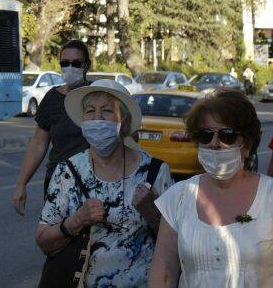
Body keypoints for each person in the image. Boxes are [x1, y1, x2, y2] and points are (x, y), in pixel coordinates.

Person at [37, 79, 173, 286]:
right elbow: (44, 242)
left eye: (107, 111)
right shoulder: (68, 172)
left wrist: (152, 214)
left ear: (124, 123)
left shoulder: (154, 172)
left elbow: (177, 246)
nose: (97, 119)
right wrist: (76, 221)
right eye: (90, 111)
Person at [150, 90, 273, 287]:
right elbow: (163, 274)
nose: (215, 144)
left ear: (247, 144)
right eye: (206, 135)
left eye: (228, 135)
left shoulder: (269, 196)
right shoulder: (178, 196)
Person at [12, 40, 92, 214]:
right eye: (65, 63)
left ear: (87, 65)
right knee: (53, 237)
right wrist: (21, 184)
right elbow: (38, 144)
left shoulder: (98, 96)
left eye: (76, 63)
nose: (70, 68)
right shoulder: (52, 98)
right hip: (57, 181)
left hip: (93, 183)